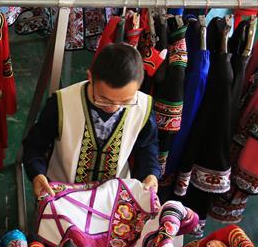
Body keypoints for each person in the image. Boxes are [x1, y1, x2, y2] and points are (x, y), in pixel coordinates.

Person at [22, 42, 160, 199]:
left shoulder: (143, 106)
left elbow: (147, 146)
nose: (114, 107)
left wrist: (151, 173)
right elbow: (35, 145)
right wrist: (37, 174)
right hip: (63, 193)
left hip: (114, 197)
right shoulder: (62, 103)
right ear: (90, 78)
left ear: (138, 87)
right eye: (104, 99)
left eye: (125, 101)